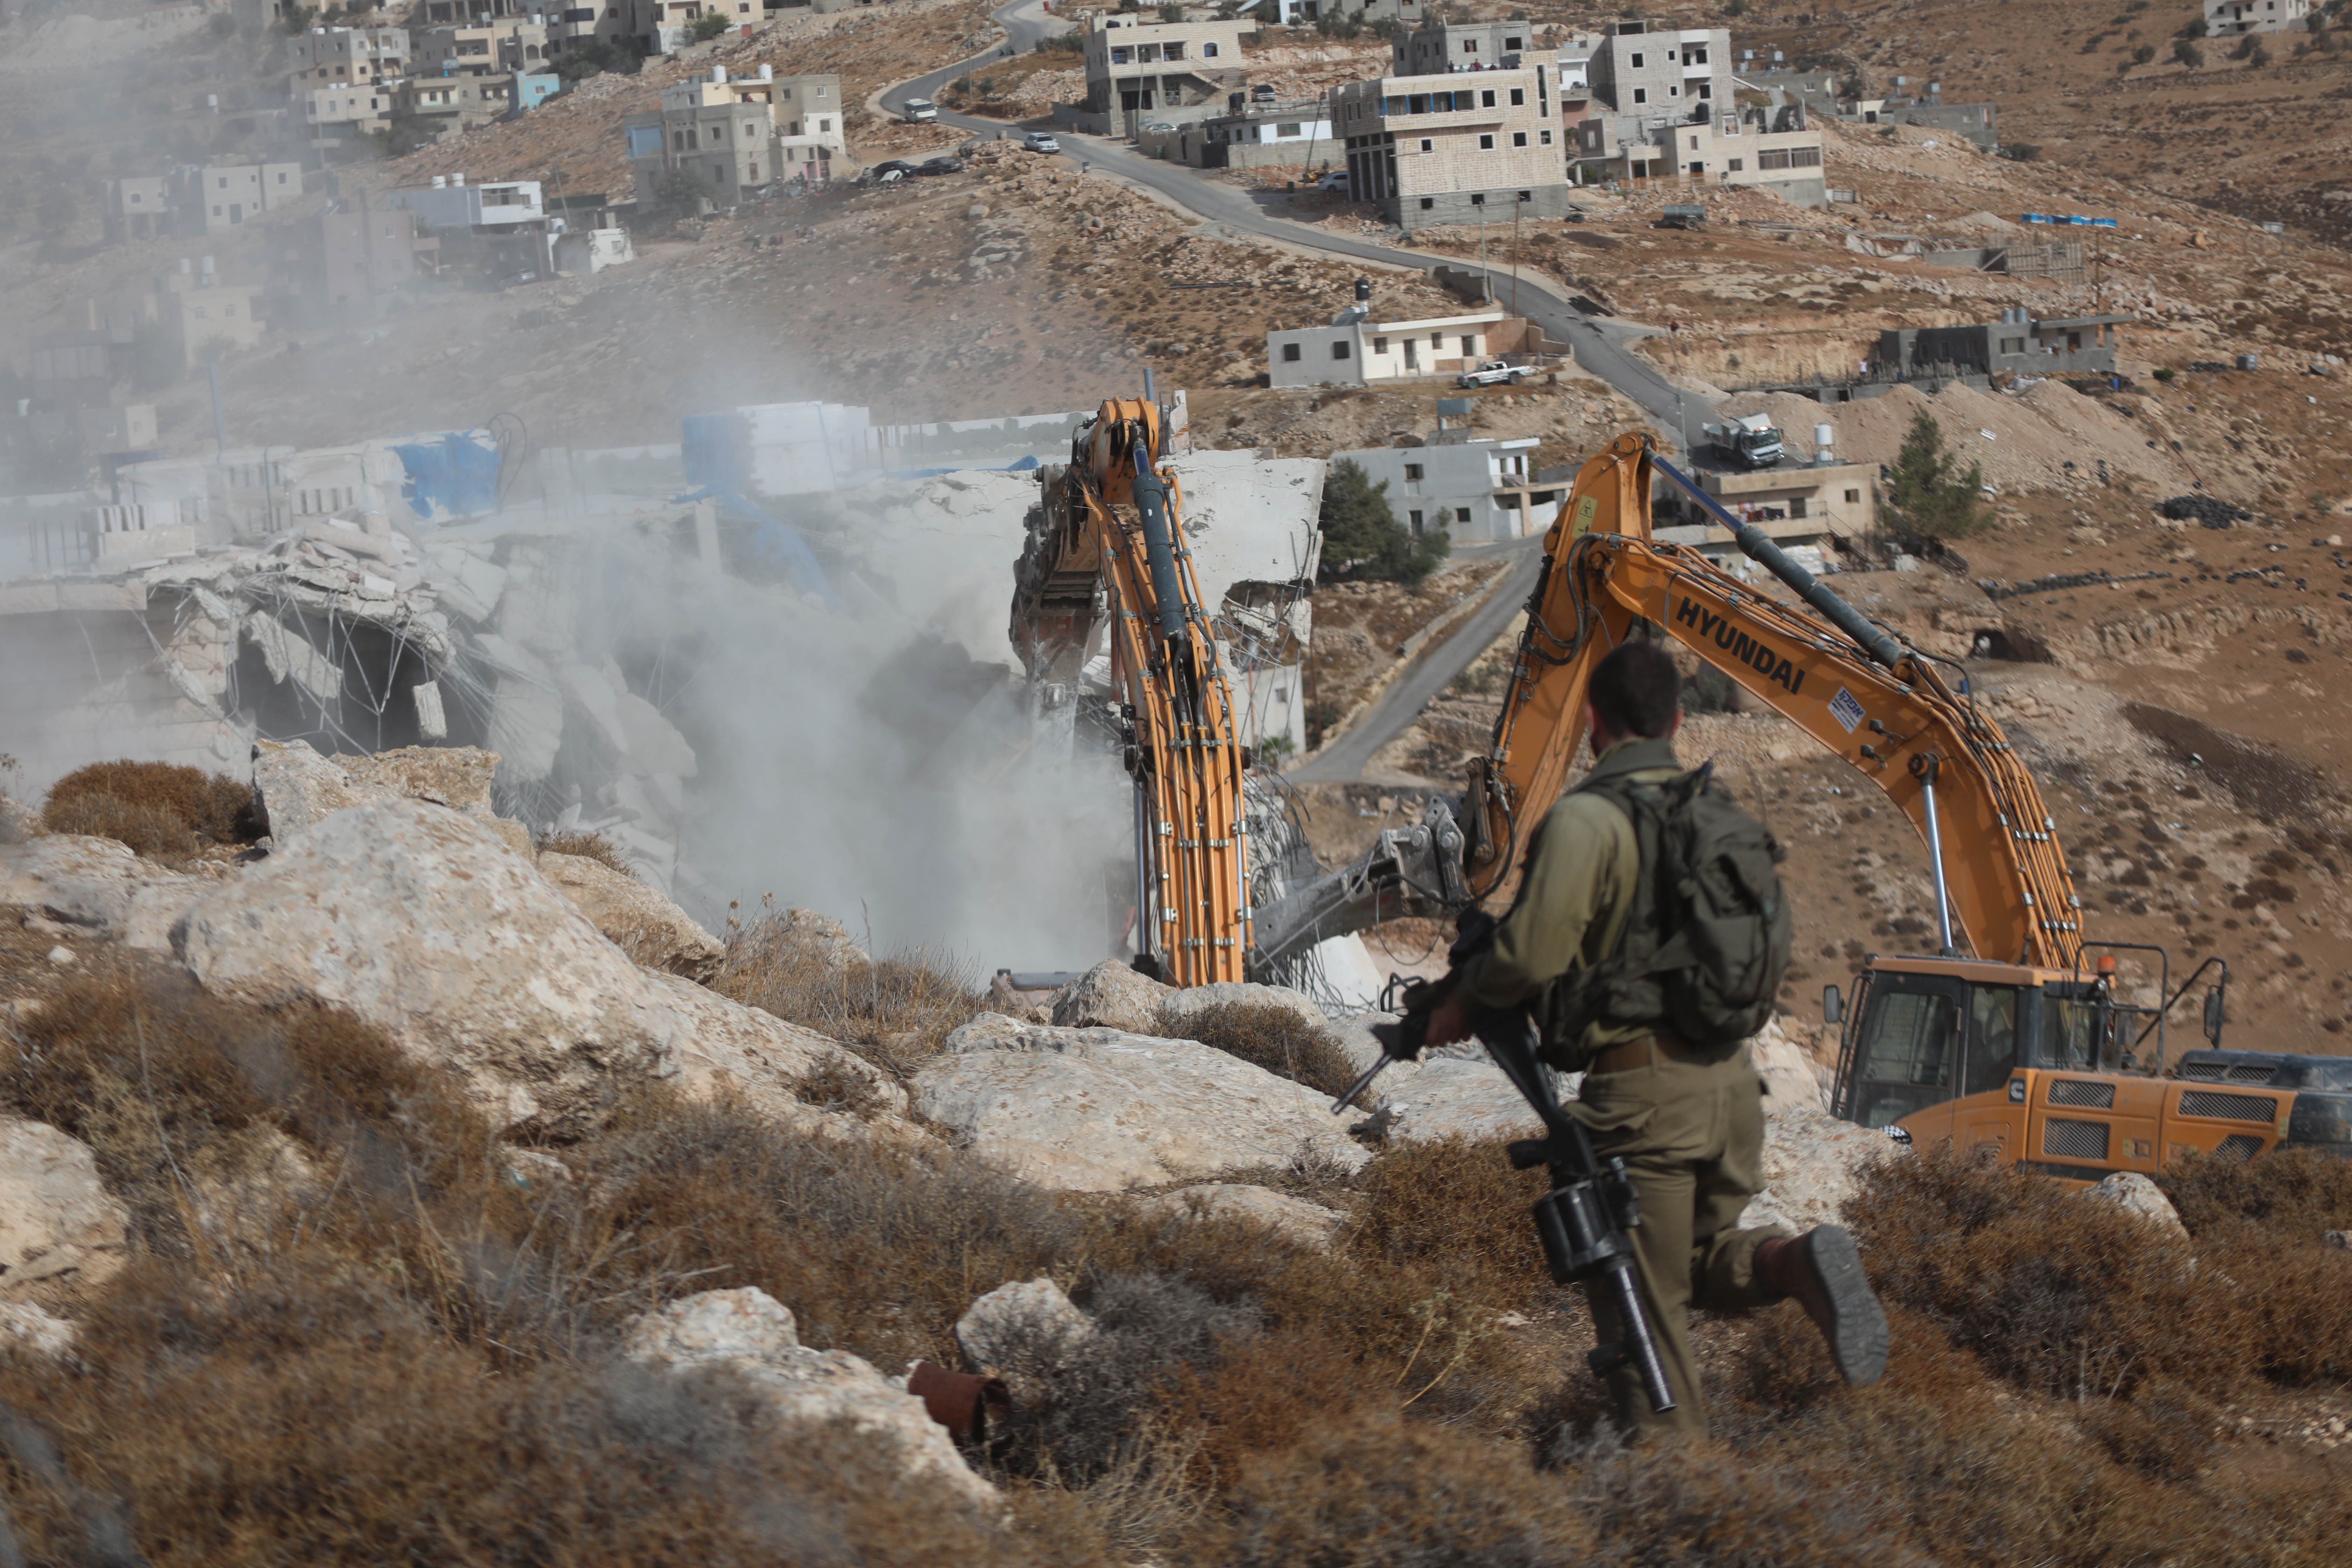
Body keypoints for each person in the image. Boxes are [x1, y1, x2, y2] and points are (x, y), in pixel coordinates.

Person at [1422, 639, 1886, 1441]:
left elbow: (1530, 954)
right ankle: (1791, 1261)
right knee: (1699, 1261)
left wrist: (1461, 1001)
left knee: (1646, 1336)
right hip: (1730, 1090)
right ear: (1677, 722)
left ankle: (1682, 1511)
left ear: (1594, 724)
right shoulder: (1718, 817)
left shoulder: (1586, 819)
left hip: (1641, 1102)